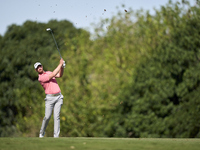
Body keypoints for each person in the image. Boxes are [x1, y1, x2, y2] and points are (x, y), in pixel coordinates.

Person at [34, 59, 65, 138]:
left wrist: (62, 68)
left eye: (40, 66)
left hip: (58, 97)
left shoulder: (48, 72)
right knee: (47, 117)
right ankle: (42, 132)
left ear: (42, 66)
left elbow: (59, 75)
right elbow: (54, 73)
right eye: (38, 67)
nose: (39, 68)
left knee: (56, 117)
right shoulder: (41, 78)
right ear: (36, 70)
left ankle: (56, 136)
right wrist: (60, 64)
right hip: (50, 99)